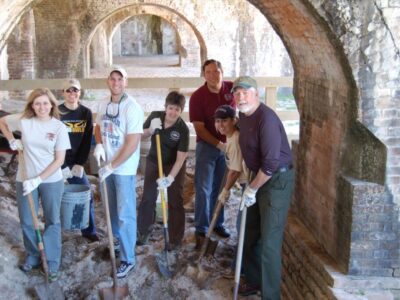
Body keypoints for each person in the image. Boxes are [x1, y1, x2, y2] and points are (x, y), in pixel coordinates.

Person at [0, 88, 71, 282]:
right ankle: (33, 255)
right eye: (37, 103)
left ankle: (52, 260)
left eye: (45, 103)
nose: (42, 107)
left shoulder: (58, 127)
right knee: (27, 221)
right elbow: (2, 121)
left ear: (52, 105)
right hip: (24, 178)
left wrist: (38, 179)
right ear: (32, 105)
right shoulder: (24, 121)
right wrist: (11, 139)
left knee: (52, 221)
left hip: (50, 180)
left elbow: (59, 160)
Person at [233, 76, 294, 299]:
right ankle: (254, 280)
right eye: (237, 93)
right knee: (248, 232)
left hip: (276, 181)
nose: (240, 97)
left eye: (245, 92)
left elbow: (270, 165)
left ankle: (270, 295)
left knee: (269, 242)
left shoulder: (266, 119)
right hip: (256, 178)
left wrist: (252, 190)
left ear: (256, 94)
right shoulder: (243, 115)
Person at [94, 66, 144, 278]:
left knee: (125, 214)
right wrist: (98, 144)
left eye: (120, 79)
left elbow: (132, 144)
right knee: (111, 210)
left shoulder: (132, 108)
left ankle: (128, 258)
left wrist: (112, 166)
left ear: (126, 83)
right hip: (107, 165)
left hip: (123, 168)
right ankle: (118, 244)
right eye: (112, 79)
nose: (115, 82)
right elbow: (98, 126)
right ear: (108, 81)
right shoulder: (103, 103)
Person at [189, 59, 235, 247]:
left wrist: (232, 143)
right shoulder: (197, 97)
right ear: (203, 75)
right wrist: (219, 145)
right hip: (207, 146)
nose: (212, 76)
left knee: (222, 188)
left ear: (222, 72)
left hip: (229, 145)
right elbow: (199, 129)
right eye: (208, 72)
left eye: (216, 71)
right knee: (203, 187)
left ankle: (217, 223)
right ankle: (201, 227)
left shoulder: (231, 89)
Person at [137, 91, 189, 250]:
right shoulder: (155, 117)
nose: (173, 112)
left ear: (181, 111)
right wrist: (150, 130)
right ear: (165, 107)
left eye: (177, 110)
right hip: (154, 160)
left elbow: (181, 158)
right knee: (148, 197)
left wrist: (170, 178)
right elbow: (140, 136)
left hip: (174, 164)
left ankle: (175, 238)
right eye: (171, 108)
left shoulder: (182, 129)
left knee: (175, 200)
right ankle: (143, 231)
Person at [58, 78, 99, 242]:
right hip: (58, 163)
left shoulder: (85, 113)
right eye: (68, 90)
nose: (72, 93)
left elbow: (87, 140)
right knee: (55, 197)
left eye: (75, 90)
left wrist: (80, 163)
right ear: (63, 93)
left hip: (76, 164)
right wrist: (60, 166)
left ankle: (89, 231)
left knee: (86, 194)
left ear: (80, 93)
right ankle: (55, 231)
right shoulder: (57, 112)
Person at [213, 104, 248, 278]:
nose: (220, 125)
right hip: (245, 184)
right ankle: (239, 267)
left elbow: (234, 171)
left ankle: (239, 270)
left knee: (243, 226)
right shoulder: (231, 137)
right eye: (218, 121)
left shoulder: (235, 139)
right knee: (242, 225)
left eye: (224, 121)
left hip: (249, 186)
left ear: (234, 120)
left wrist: (225, 191)